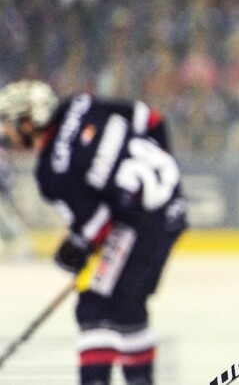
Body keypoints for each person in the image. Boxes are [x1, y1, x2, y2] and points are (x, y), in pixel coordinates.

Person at [0, 80, 187, 385]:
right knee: (126, 307)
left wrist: (71, 253)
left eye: (7, 124)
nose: (5, 135)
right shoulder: (81, 105)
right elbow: (152, 120)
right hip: (171, 207)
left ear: (27, 122)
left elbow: (95, 226)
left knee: (94, 308)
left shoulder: (51, 172)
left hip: (141, 222)